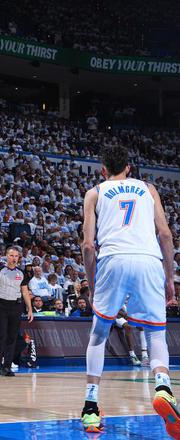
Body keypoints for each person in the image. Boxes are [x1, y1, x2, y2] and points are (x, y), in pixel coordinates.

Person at [79, 145, 177, 434]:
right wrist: (169, 278)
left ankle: (90, 407)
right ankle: (163, 388)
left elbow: (88, 246)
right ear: (129, 168)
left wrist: (92, 284)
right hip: (148, 260)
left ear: (103, 170)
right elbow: (165, 234)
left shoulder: (94, 193)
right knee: (155, 333)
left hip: (113, 260)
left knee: (98, 334)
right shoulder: (148, 188)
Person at [0, 246, 34, 377]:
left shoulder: (21, 273)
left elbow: (25, 292)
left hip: (16, 306)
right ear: (7, 256)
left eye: (16, 256)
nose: (14, 258)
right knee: (1, 336)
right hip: (2, 305)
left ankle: (7, 366)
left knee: (12, 337)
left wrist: (30, 309)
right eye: (11, 255)